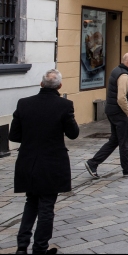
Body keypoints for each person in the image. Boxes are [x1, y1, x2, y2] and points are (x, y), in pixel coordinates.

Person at [10, 69, 79, 255]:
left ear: (41, 84)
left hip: (28, 162)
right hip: (52, 163)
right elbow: (73, 134)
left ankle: (22, 246)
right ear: (60, 86)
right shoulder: (64, 105)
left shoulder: (24, 104)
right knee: (47, 206)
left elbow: (14, 135)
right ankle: (40, 248)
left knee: (31, 202)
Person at [85, 53, 128, 179]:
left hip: (112, 111)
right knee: (125, 142)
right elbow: (121, 98)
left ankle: (93, 163)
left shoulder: (117, 71)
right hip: (119, 112)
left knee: (115, 140)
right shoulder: (124, 75)